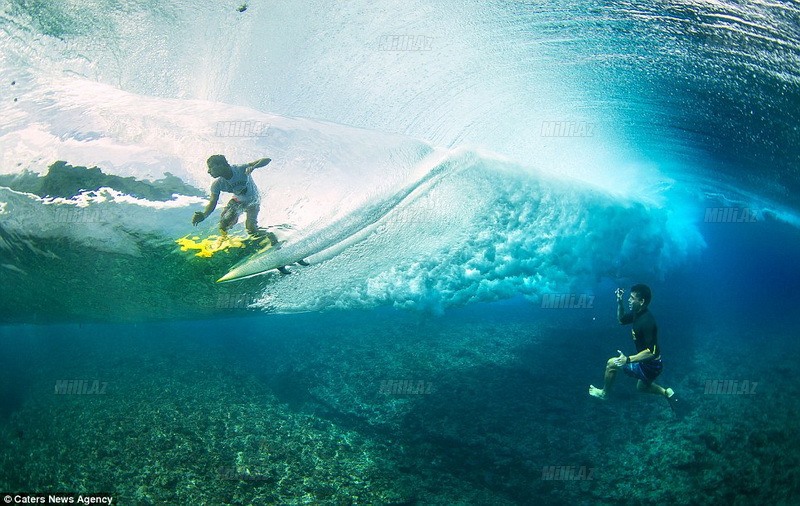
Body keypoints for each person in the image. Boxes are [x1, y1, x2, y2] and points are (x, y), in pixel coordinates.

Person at [589, 284, 678, 408]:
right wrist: (620, 302)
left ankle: (604, 394)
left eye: (632, 298)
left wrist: (628, 359)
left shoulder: (647, 321)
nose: (629, 300)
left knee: (611, 364)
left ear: (641, 301)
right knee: (641, 387)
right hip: (650, 365)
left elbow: (652, 352)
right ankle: (667, 392)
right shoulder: (637, 313)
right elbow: (621, 320)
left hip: (651, 366)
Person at [191, 154, 273, 239]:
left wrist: (254, 167)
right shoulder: (217, 184)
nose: (208, 171)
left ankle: (270, 235)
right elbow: (213, 202)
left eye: (211, 167)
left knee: (251, 229)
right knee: (223, 224)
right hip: (237, 201)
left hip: (253, 202)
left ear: (221, 165)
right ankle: (224, 239)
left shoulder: (240, 169)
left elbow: (267, 159)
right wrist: (204, 215)